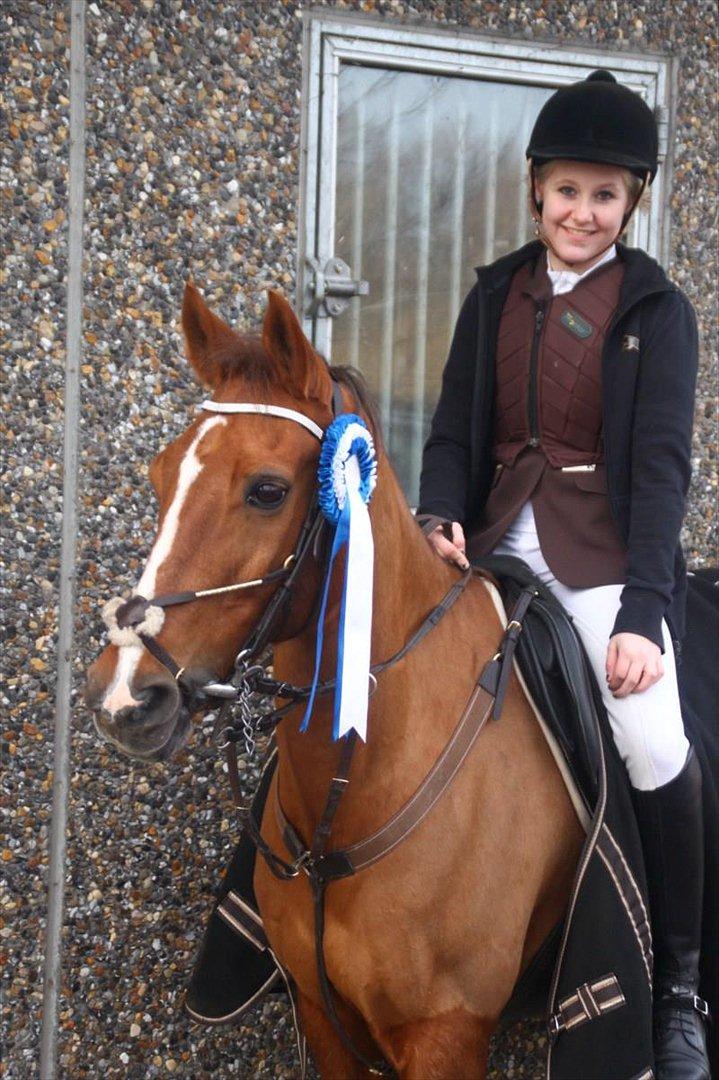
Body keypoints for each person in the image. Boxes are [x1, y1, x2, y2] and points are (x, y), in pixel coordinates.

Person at [418, 70, 709, 1079]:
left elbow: (662, 472)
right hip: (492, 547)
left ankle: (677, 991)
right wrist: (436, 514)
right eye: (565, 191)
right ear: (534, 192)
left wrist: (640, 612)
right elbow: (454, 428)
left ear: (628, 205)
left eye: (603, 195)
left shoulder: (657, 313)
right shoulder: (494, 288)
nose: (580, 212)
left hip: (599, 559)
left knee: (653, 740)